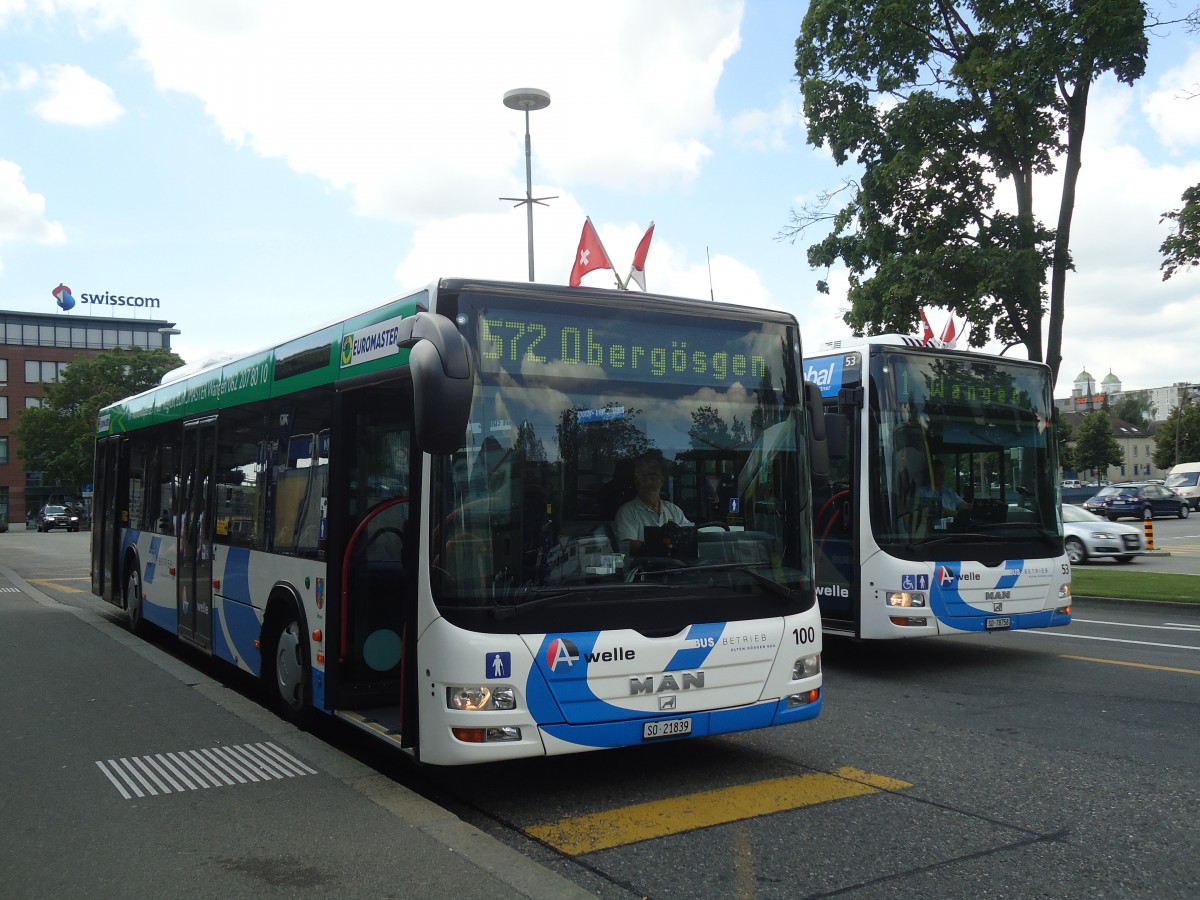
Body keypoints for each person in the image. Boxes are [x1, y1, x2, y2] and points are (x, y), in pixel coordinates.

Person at [614, 455, 692, 554]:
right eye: (643, 476)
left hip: (677, 567)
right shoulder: (626, 512)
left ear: (662, 481)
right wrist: (662, 547)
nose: (648, 481)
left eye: (652, 475)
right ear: (636, 482)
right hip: (645, 568)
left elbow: (690, 535)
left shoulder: (674, 510)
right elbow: (627, 543)